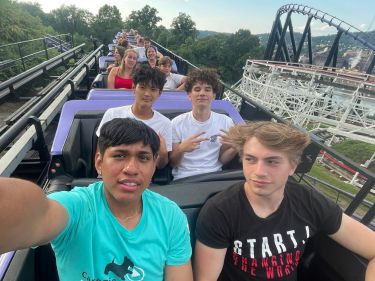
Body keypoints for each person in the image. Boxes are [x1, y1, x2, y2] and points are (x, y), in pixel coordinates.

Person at [0, 118, 193, 281]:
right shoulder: (79, 207)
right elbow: (38, 213)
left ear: (153, 166)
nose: (131, 169)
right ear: (99, 162)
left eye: (143, 158)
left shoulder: (171, 216)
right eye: (119, 156)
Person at [194, 121, 375, 281]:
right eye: (250, 159)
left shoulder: (308, 202)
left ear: (292, 166)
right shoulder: (221, 211)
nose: (259, 171)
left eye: (272, 162)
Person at [97, 64, 171, 169]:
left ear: (159, 93)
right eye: (142, 87)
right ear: (133, 88)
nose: (147, 93)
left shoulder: (165, 123)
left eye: (153, 89)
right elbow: (101, 150)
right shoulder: (113, 114)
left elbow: (160, 165)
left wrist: (163, 154)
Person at [169, 68, 237, 180]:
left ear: (214, 95)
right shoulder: (176, 123)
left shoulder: (226, 122)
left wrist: (235, 147)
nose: (202, 93)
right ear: (189, 95)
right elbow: (173, 163)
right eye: (197, 89)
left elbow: (222, 160)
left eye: (207, 89)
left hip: (214, 177)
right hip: (184, 178)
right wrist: (181, 149)